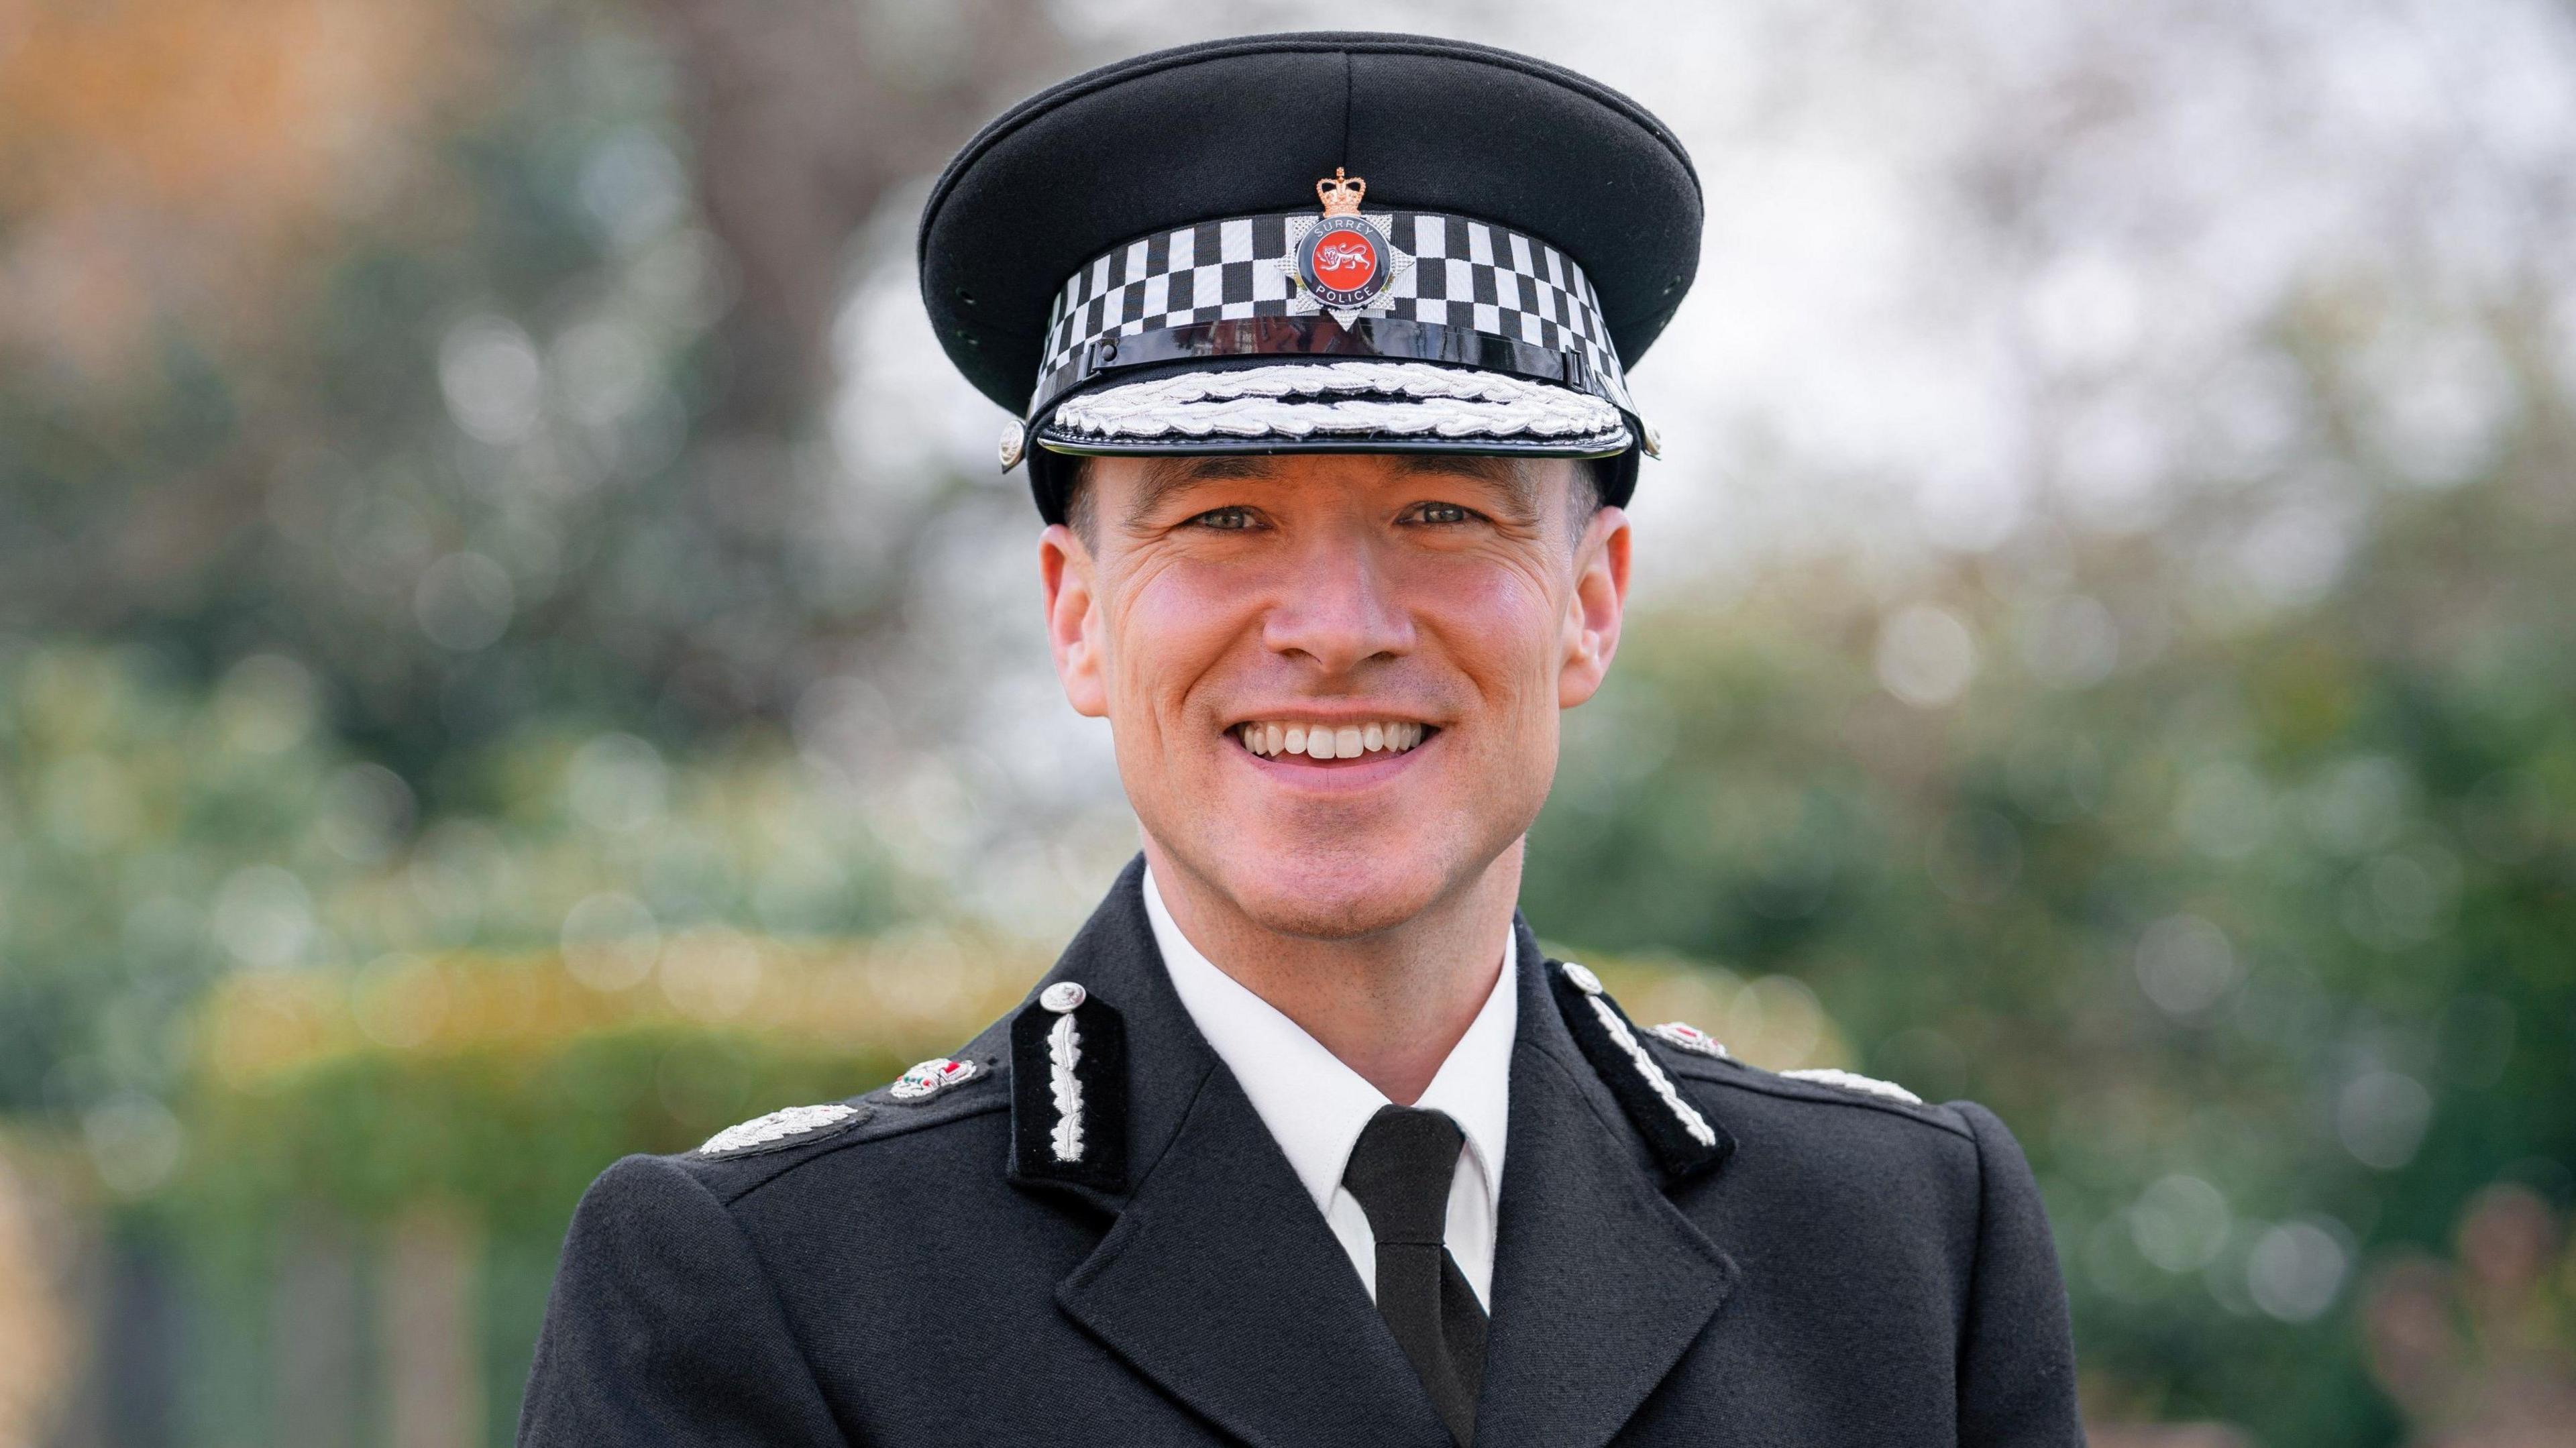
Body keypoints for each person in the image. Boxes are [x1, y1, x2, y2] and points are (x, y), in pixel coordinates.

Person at [517, 31, 2083, 1447]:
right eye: (1227, 517)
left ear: (1591, 600)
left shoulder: (1898, 1246)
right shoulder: (778, 1291)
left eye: (1444, 512)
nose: (1337, 624)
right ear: (1078, 614)